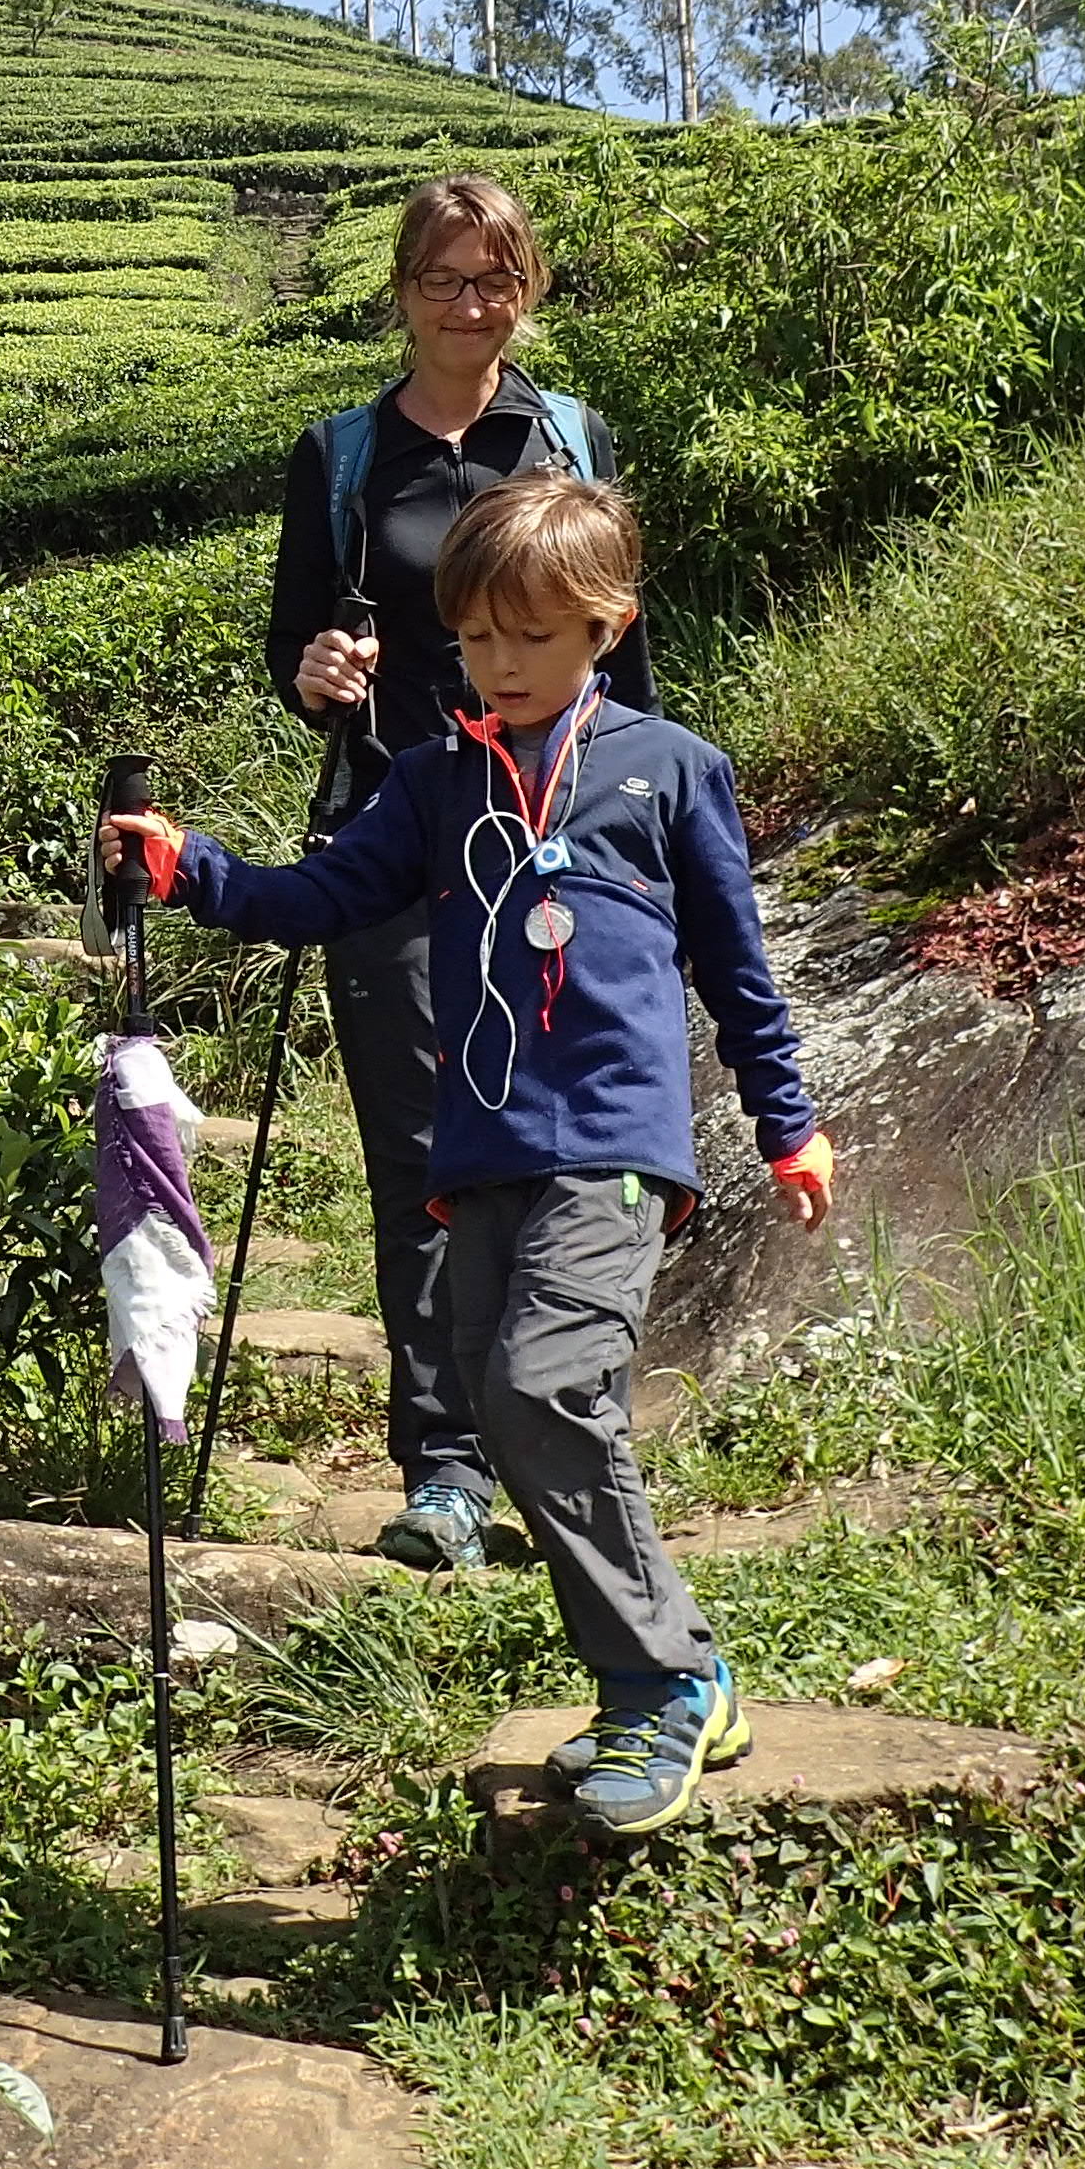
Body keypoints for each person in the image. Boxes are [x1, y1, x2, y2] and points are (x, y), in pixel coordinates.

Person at [114, 468, 837, 1834]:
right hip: (483, 1145)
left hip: (614, 1146)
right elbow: (323, 895)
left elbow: (738, 969)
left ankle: (668, 1684)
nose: (501, 663)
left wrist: (785, 1124)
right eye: (476, 637)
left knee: (543, 1386)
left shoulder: (671, 769)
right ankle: (662, 1678)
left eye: (533, 636)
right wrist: (190, 868)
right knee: (512, 1413)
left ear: (608, 625)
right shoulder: (438, 778)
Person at [267, 170, 657, 1578]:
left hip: (554, 839)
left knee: (567, 1146)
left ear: (525, 289)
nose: (469, 304)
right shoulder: (341, 456)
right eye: (442, 278)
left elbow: (626, 663)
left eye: (494, 278)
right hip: (397, 834)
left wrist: (641, 850)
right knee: (420, 1158)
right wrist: (319, 672)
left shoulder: (565, 440)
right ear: (402, 293)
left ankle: (564, 1440)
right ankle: (442, 1464)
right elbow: (292, 650)